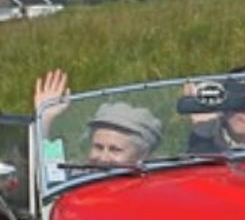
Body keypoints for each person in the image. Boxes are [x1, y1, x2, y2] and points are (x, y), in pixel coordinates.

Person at [33, 69, 163, 167]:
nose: (103, 158)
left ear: (143, 154)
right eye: (98, 147)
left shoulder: (156, 184)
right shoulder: (79, 177)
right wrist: (45, 118)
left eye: (115, 150)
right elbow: (47, 168)